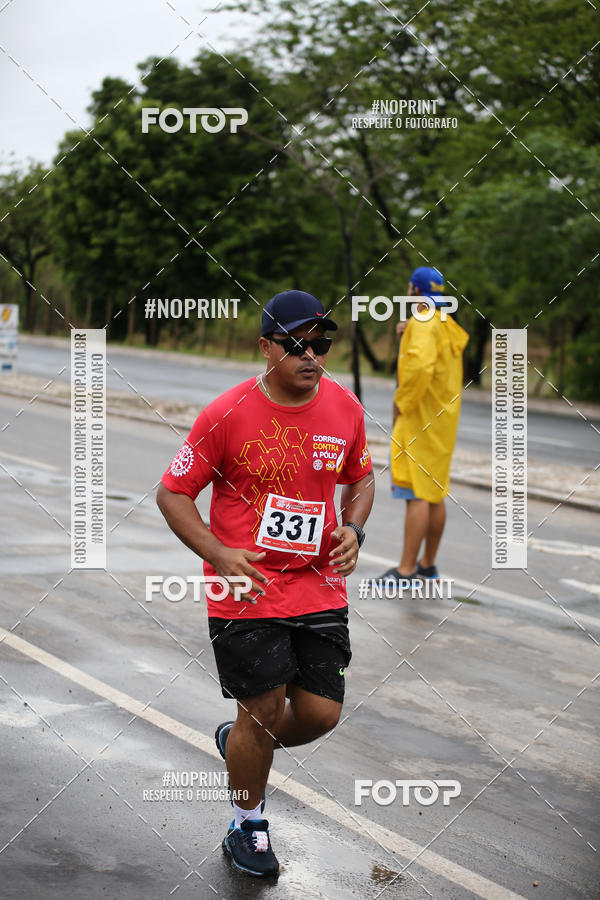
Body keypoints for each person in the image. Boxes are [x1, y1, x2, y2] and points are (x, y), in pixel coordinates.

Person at [157, 289, 374, 877]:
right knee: (264, 708)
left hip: (319, 584)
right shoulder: (227, 413)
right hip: (245, 588)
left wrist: (353, 525)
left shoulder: (344, 407)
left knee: (321, 713)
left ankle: (241, 748)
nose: (312, 355)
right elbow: (172, 492)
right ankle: (246, 823)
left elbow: (361, 478)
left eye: (321, 343)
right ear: (265, 347)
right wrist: (218, 554)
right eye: (296, 344)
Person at [375, 266, 469, 586]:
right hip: (443, 420)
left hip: (420, 419)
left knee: (415, 493)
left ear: (414, 291)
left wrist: (401, 403)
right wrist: (408, 331)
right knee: (434, 493)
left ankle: (405, 571)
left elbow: (419, 367)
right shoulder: (443, 321)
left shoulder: (423, 323)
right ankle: (427, 565)